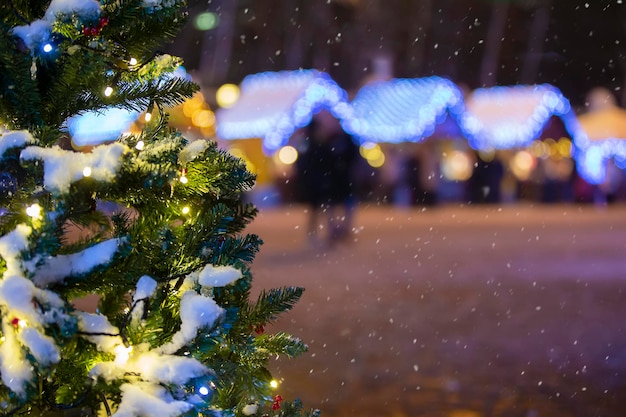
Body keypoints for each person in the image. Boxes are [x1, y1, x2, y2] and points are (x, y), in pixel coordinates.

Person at [295, 110, 359, 245]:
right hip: (328, 180)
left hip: (340, 179)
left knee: (341, 205)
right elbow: (318, 161)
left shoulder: (342, 139)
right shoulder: (322, 141)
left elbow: (352, 157)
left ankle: (341, 231)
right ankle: (329, 231)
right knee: (325, 206)